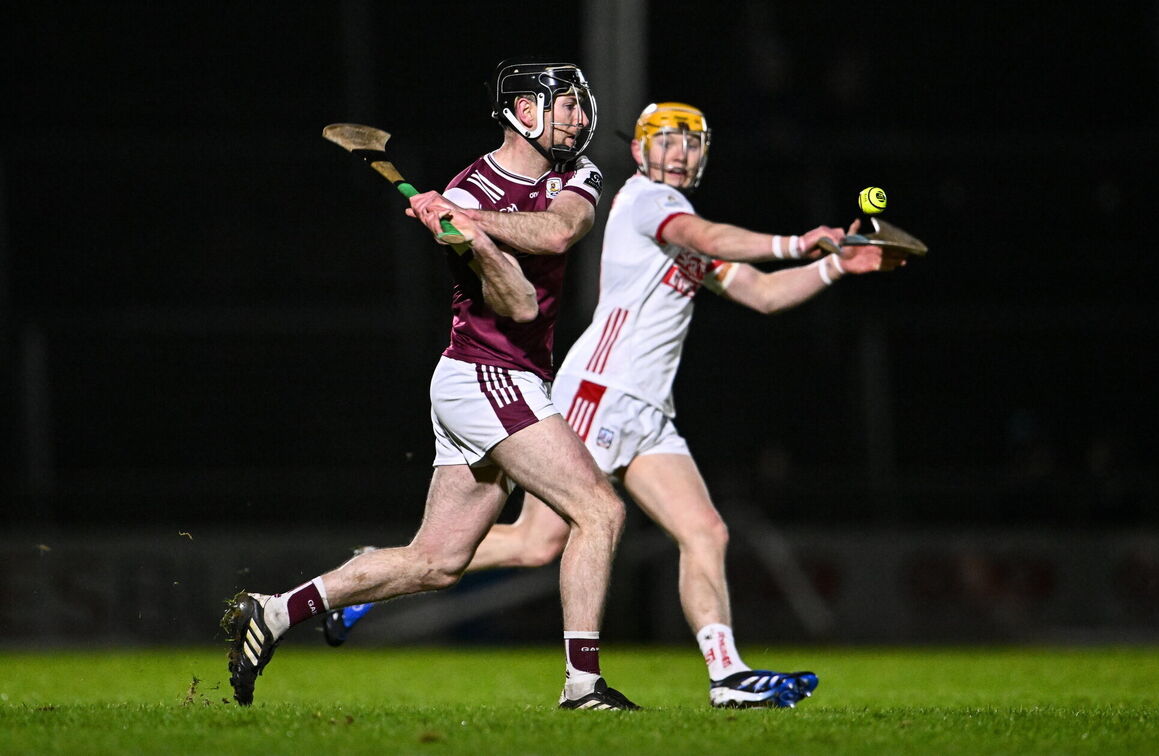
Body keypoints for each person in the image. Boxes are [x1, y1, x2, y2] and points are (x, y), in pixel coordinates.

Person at [323, 102, 907, 708]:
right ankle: (381, 572)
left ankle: (728, 675)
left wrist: (839, 262)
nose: (679, 153)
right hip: (600, 394)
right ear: (640, 151)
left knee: (705, 530)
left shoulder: (679, 223)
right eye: (667, 140)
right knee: (537, 544)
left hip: (648, 410)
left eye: (692, 142)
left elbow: (760, 293)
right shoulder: (650, 202)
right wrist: (800, 241)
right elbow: (706, 236)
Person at [221, 57, 640, 711]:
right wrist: (470, 241)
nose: (580, 120)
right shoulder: (467, 187)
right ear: (524, 113)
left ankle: (273, 612)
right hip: (487, 377)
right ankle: (583, 686)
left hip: (494, 379)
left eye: (581, 107)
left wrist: (476, 226)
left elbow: (559, 230)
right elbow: (519, 306)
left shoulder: (574, 176)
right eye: (567, 107)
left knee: (436, 562)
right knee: (600, 511)